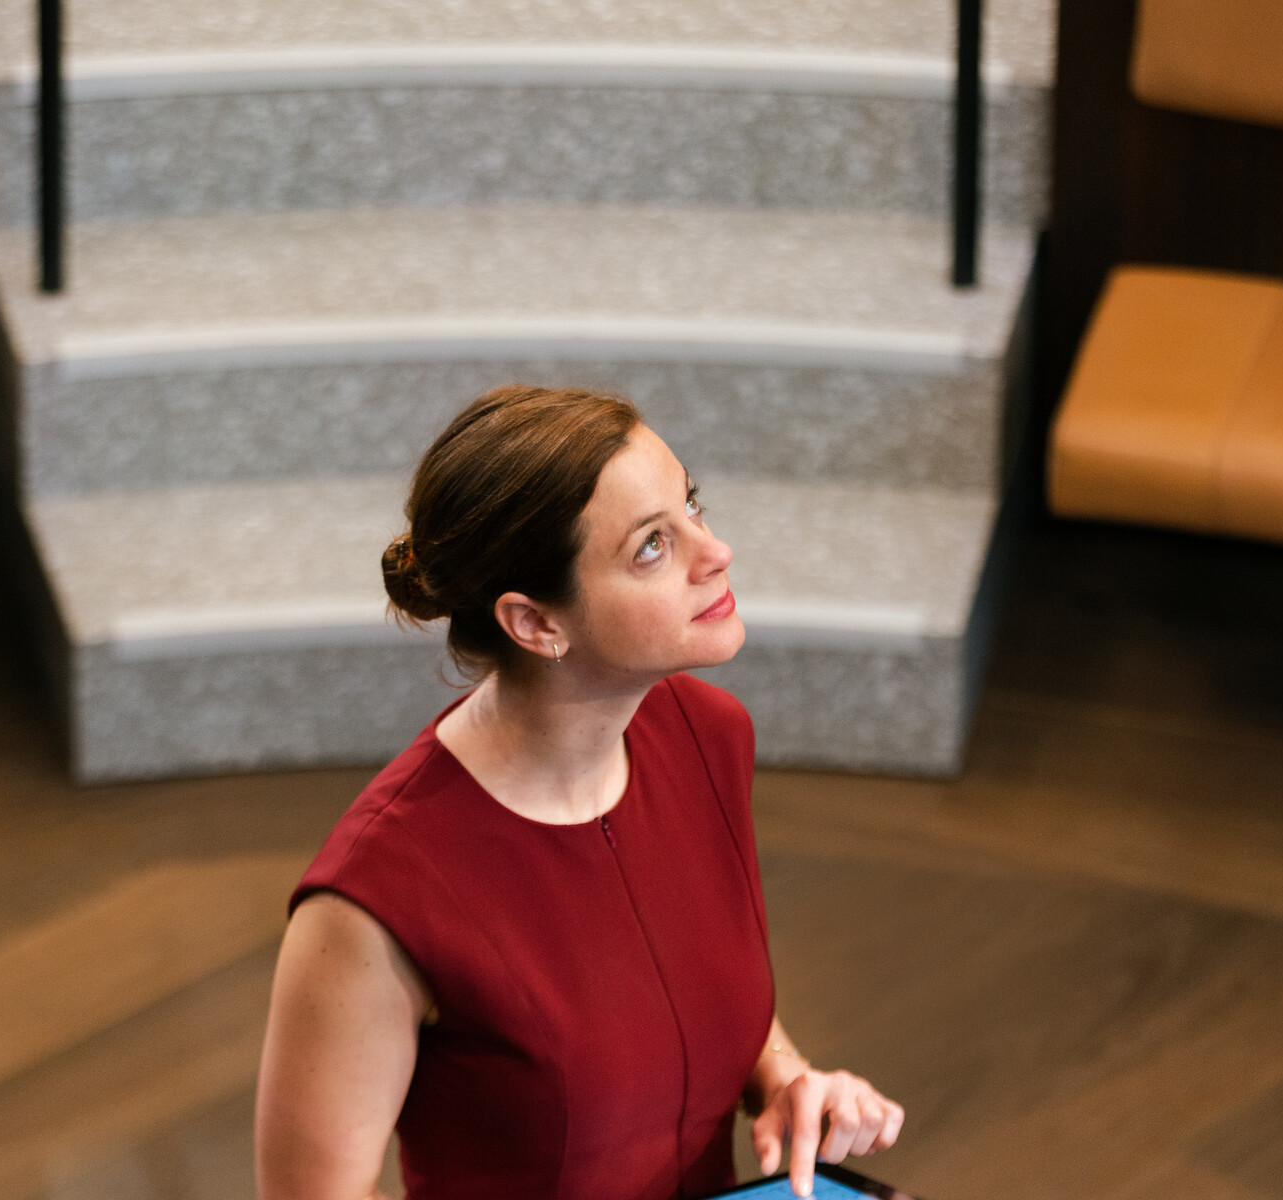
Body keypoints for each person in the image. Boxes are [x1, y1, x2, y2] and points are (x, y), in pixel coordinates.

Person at [255, 385, 904, 1200]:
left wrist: (788, 1079)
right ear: (535, 623)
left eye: (692, 505)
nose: (717, 551)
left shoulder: (707, 734)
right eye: (652, 548)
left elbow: (704, 992)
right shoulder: (369, 903)